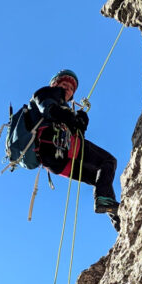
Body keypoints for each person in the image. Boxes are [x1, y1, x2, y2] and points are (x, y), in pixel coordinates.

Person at [28, 69, 120, 231]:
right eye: (64, 85)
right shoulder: (45, 93)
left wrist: (80, 121)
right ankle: (104, 201)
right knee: (108, 161)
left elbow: (77, 134)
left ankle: (117, 218)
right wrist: (73, 118)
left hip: (55, 160)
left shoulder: (63, 107)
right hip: (57, 144)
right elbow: (48, 109)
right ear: (55, 85)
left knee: (98, 179)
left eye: (71, 89)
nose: (68, 90)